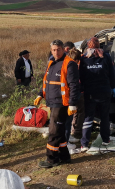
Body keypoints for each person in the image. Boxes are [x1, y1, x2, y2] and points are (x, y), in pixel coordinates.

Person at [34, 40, 80, 168]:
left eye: (58, 49)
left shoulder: (69, 64)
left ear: (63, 49)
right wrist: (40, 94)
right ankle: (64, 157)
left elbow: (74, 86)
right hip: (52, 102)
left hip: (61, 103)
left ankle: (52, 159)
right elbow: (46, 81)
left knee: (53, 132)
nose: (56, 52)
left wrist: (72, 104)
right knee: (59, 131)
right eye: (53, 50)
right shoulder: (51, 62)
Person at [79, 37, 115, 152]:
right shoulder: (106, 56)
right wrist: (113, 87)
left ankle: (84, 144)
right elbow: (112, 73)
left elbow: (81, 76)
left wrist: (81, 89)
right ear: (99, 45)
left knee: (88, 117)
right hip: (104, 91)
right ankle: (106, 140)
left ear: (88, 46)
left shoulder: (84, 58)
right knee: (105, 117)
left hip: (90, 93)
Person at [65, 48, 84, 146]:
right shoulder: (74, 66)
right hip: (75, 93)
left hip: (66, 94)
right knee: (79, 112)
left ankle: (69, 135)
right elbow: (75, 83)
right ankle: (73, 134)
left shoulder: (65, 64)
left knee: (70, 115)